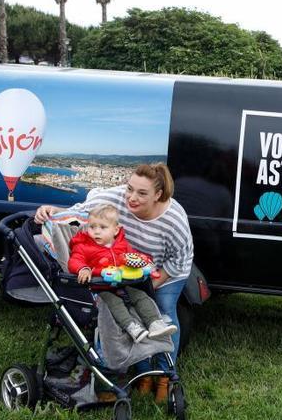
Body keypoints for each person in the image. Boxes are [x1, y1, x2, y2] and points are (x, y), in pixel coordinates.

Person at [35, 162, 193, 402]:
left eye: (142, 193)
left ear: (158, 195)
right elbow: (82, 212)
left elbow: (181, 260)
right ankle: (142, 373)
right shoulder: (116, 198)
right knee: (131, 313)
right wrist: (51, 211)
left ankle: (164, 376)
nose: (131, 197)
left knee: (163, 312)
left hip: (164, 271)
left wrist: (152, 283)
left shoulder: (174, 220)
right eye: (130, 189)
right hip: (124, 269)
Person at [69, 204, 177, 344]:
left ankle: (155, 323)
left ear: (115, 230)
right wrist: (83, 269)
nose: (96, 232)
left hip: (122, 284)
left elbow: (133, 256)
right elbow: (75, 260)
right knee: (114, 302)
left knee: (141, 296)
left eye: (102, 227)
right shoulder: (83, 246)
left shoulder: (122, 244)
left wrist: (145, 262)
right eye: (92, 227)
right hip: (99, 289)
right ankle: (132, 328)